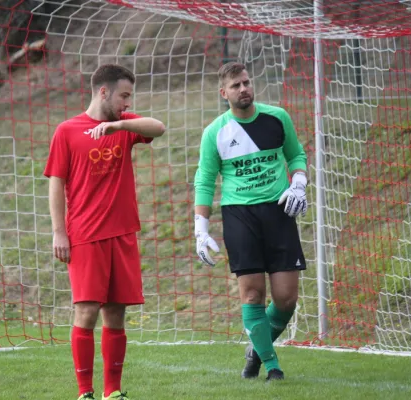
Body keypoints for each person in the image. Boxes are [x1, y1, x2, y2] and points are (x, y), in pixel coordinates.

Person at [44, 64, 165, 400]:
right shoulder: (67, 131)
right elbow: (56, 185)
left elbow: (159, 128)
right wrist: (58, 232)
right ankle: (85, 393)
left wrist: (118, 124)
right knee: (86, 311)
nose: (127, 102)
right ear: (103, 92)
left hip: (123, 233)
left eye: (130, 97)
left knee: (116, 312)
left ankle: (113, 392)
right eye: (123, 95)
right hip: (84, 235)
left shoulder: (123, 125)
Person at [193, 61, 308, 381]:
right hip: (239, 215)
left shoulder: (277, 118)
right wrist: (200, 229)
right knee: (253, 295)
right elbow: (204, 180)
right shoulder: (215, 132)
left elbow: (296, 156)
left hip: (278, 211)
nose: (243, 89)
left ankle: (256, 347)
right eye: (235, 86)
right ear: (223, 93)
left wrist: (298, 182)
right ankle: (272, 367)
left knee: (286, 299)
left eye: (246, 83)